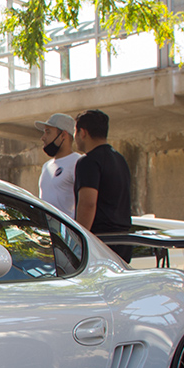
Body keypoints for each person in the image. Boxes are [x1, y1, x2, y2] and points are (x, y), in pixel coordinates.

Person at [72, 109, 134, 262]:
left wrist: (79, 240)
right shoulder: (120, 159)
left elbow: (88, 203)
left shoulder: (88, 161)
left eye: (76, 132)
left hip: (101, 241)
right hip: (124, 241)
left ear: (83, 132)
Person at [34, 112, 81, 215]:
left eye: (48, 132)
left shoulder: (78, 162)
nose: (43, 137)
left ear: (63, 135)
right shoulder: (46, 166)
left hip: (67, 229)